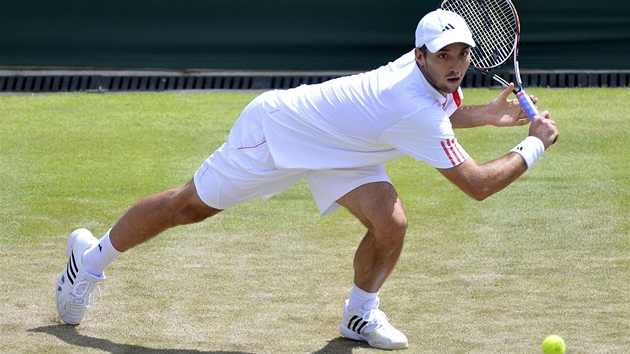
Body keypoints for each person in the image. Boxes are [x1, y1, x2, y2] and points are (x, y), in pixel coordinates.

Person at [55, 9, 559, 351]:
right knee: (187, 207)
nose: (455, 65)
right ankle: (89, 261)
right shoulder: (412, 106)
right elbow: (477, 184)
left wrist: (486, 117)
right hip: (279, 132)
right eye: (443, 55)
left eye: (461, 54)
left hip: (346, 148)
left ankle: (359, 315)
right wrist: (533, 142)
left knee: (392, 223)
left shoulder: (423, 76)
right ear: (420, 54)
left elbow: (439, 113)